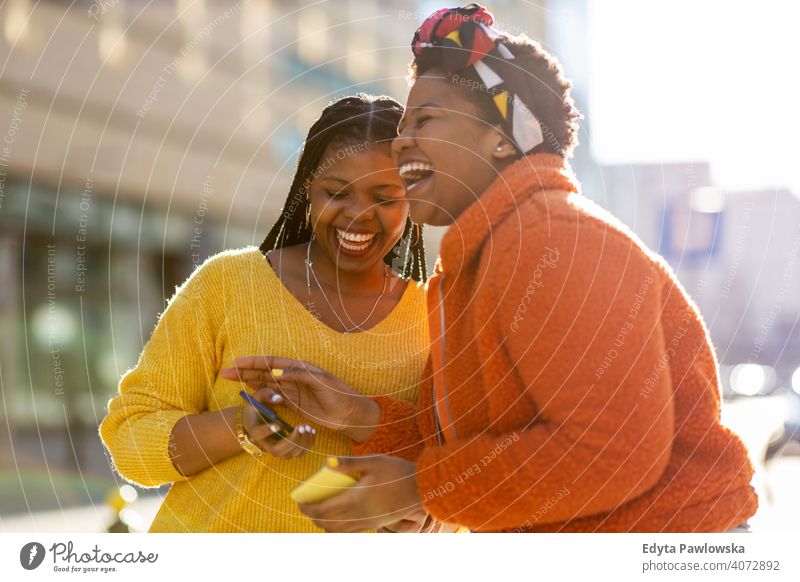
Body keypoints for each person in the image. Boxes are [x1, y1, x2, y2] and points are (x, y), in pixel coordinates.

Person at [226, 5, 758, 532]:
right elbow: (478, 450)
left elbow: (613, 451)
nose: (400, 140)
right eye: (403, 123)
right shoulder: (469, 267)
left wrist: (413, 489)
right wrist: (358, 415)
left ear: (505, 137)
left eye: (427, 118)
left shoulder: (556, 239)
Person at [99, 94, 429, 532]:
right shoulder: (226, 285)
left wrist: (429, 517)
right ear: (307, 187)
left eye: (385, 199)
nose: (358, 215)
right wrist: (240, 427)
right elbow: (130, 441)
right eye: (336, 193)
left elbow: (467, 472)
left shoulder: (438, 318)